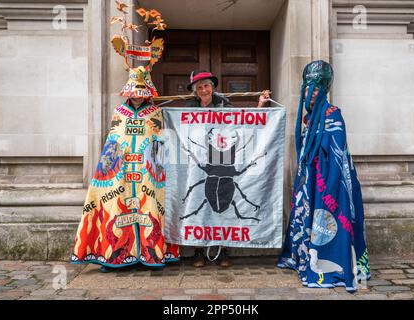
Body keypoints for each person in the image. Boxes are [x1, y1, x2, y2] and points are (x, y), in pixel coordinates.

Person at [71, 7, 179, 272]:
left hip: (147, 175)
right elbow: (113, 142)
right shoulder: (119, 113)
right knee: (115, 210)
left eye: (143, 92)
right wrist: (109, 170)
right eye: (135, 91)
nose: (139, 95)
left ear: (148, 92)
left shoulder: (156, 112)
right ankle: (116, 255)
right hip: (120, 175)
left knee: (150, 209)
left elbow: (161, 143)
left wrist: (158, 167)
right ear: (128, 92)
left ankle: (150, 254)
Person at [277, 60, 371, 292]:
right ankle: (303, 259)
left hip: (329, 183)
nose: (311, 93)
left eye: (317, 88)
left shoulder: (333, 114)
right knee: (305, 219)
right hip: (309, 180)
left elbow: (338, 156)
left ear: (324, 89)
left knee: (326, 223)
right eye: (308, 87)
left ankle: (332, 267)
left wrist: (325, 184)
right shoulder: (308, 118)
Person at [186, 70, 270, 268]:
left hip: (223, 156)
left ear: (212, 87)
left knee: (226, 207)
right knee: (199, 204)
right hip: (201, 161)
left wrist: (259, 105)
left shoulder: (224, 105)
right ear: (195, 91)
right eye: (199, 87)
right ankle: (198, 252)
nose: (204, 90)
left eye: (206, 86)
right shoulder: (189, 108)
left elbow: (244, 122)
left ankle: (224, 250)